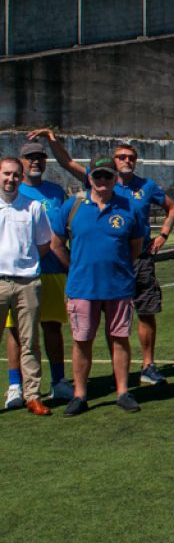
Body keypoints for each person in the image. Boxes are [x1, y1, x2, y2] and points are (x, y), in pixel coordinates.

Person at [32, 130, 174, 385]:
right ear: (112, 162)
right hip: (97, 269)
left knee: (145, 312)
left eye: (131, 157)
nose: (126, 160)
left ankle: (147, 366)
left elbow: (172, 207)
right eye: (121, 156)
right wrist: (52, 139)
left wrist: (163, 234)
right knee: (93, 328)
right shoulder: (98, 183)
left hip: (137, 258)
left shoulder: (146, 186)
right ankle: (110, 377)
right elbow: (67, 163)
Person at [49, 155, 147, 416]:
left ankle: (123, 392)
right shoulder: (73, 207)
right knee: (82, 341)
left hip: (119, 287)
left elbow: (135, 247)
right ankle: (80, 395)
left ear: (116, 178)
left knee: (120, 338)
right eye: (98, 175)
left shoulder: (129, 208)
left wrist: (118, 269)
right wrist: (75, 268)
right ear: (89, 177)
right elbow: (56, 244)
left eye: (108, 175)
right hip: (82, 287)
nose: (102, 180)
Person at [4, 140, 72, 408]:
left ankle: (58, 382)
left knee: (52, 326)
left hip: (51, 270)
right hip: (17, 275)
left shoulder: (56, 192)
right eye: (30, 158)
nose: (35, 162)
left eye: (40, 158)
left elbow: (60, 233)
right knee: (15, 332)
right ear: (20, 162)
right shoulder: (11, 191)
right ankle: (15, 386)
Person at [0, 156, 54, 416]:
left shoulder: (33, 207)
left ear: (21, 178)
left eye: (15, 175)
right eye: (6, 174)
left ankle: (32, 395)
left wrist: (24, 264)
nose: (10, 179)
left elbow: (43, 243)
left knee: (30, 341)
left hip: (28, 283)